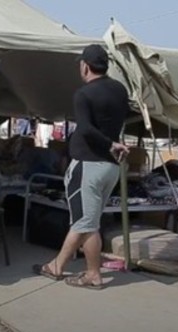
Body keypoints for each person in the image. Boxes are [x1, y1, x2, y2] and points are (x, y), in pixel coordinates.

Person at [32, 44, 130, 289]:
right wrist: (113, 143)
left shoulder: (84, 95)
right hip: (110, 169)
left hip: (88, 165)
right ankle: (57, 266)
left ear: (85, 66)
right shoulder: (119, 90)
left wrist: (109, 144)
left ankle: (93, 274)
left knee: (86, 225)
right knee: (85, 220)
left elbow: (85, 129)